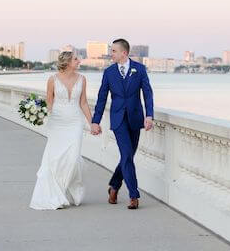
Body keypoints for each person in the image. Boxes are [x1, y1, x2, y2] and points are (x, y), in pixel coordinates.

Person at [91, 38, 154, 209]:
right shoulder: (109, 72)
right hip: (118, 120)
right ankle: (134, 195)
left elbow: (148, 93)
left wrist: (149, 115)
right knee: (127, 155)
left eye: (113, 51)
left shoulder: (139, 69)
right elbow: (102, 98)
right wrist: (95, 121)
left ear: (123, 53)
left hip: (135, 119)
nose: (111, 54)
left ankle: (114, 186)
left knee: (128, 156)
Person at [29, 51, 94, 210]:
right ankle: (56, 194)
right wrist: (39, 114)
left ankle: (63, 190)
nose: (79, 61)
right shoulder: (52, 80)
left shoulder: (82, 79)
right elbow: (49, 103)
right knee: (55, 158)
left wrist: (92, 123)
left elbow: (84, 103)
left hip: (75, 122)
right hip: (57, 123)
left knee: (72, 158)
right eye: (76, 59)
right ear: (67, 62)